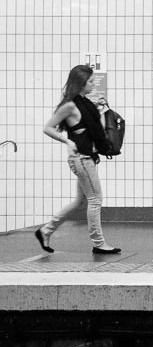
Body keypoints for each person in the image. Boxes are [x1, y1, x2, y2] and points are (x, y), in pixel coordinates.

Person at [34, 65, 121, 254]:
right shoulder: (70, 105)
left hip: (87, 157)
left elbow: (92, 128)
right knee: (96, 200)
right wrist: (67, 141)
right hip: (81, 159)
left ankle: (45, 231)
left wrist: (98, 109)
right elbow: (48, 127)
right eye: (90, 81)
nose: (92, 84)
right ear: (81, 83)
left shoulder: (85, 103)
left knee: (80, 202)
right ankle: (98, 243)